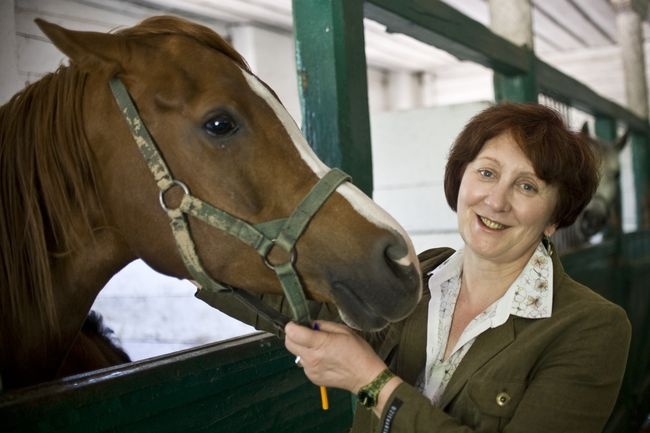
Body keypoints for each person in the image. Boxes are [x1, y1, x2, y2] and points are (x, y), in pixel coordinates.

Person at [284, 102, 631, 433]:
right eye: (487, 172)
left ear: (554, 218)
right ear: (459, 179)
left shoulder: (592, 327)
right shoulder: (422, 275)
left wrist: (371, 383)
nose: (496, 201)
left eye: (527, 186)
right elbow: (304, 300)